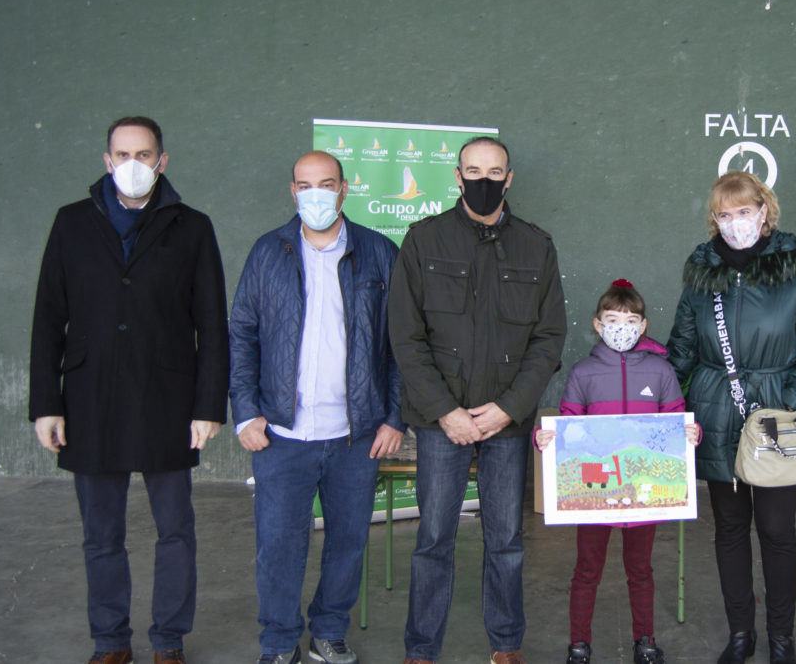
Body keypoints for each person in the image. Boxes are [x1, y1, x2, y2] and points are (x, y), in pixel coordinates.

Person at [29, 116, 229, 664]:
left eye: (145, 154)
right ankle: (111, 641)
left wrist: (209, 405)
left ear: (163, 161)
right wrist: (47, 403)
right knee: (101, 534)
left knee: (175, 531)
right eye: (122, 154)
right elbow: (49, 317)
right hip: (89, 399)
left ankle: (168, 640)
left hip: (167, 399)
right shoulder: (71, 223)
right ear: (106, 160)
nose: (133, 164)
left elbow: (212, 322)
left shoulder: (192, 226)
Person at [389, 136, 567, 664]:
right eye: (473, 170)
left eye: (494, 171)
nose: (483, 181)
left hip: (505, 424)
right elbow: (405, 335)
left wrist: (509, 408)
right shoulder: (424, 241)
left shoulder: (537, 245)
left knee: (507, 540)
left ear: (509, 177)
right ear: (457, 174)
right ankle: (421, 650)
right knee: (433, 539)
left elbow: (549, 338)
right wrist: (446, 411)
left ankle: (506, 644)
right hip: (441, 422)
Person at [229, 151, 405, 664]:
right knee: (279, 548)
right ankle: (279, 643)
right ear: (292, 191)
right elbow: (242, 334)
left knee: (347, 544)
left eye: (327, 184)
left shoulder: (378, 252)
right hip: (281, 435)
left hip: (357, 435)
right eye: (306, 185)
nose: (317, 195)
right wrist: (245, 410)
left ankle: (328, 632)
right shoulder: (269, 252)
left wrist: (394, 416)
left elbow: (400, 343)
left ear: (345, 189)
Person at [666, 171, 796, 664]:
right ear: (713, 219)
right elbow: (682, 346)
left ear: (765, 211)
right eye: (725, 214)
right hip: (718, 412)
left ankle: (781, 638)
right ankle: (741, 635)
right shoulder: (702, 275)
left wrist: (789, 398)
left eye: (745, 211)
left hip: (776, 416)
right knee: (729, 529)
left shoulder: (795, 269)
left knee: (778, 530)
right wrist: (653, 396)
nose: (735, 222)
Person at [535, 279, 700, 664]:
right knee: (587, 569)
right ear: (597, 324)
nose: (621, 327)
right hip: (595, 493)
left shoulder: (660, 372)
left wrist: (691, 432)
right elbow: (568, 425)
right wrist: (545, 440)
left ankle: (645, 640)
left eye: (630, 320)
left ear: (643, 326)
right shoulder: (583, 374)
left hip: (644, 495)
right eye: (612, 319)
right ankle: (578, 644)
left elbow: (675, 418)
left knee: (640, 570)